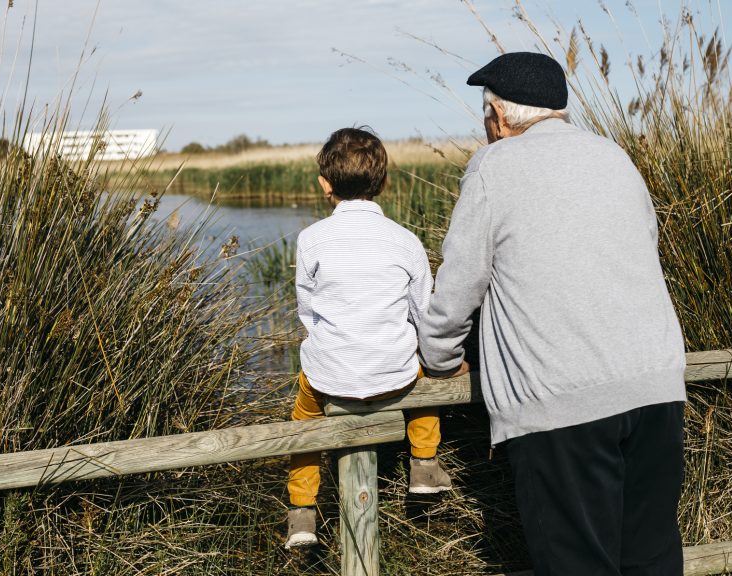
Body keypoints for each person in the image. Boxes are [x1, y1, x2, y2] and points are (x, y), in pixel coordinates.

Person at [418, 52, 687, 575]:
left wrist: (440, 356)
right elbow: (646, 244)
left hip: (562, 402)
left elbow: (459, 286)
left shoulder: (493, 167)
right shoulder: (614, 155)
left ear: (497, 118)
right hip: (656, 386)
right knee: (651, 560)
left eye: (485, 118)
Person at [284, 126, 451, 549]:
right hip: (394, 378)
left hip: (329, 380)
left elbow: (308, 312)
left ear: (325, 184)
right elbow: (423, 314)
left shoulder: (311, 240)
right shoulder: (406, 241)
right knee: (426, 381)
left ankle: (302, 510)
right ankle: (425, 464)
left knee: (303, 420)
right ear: (384, 182)